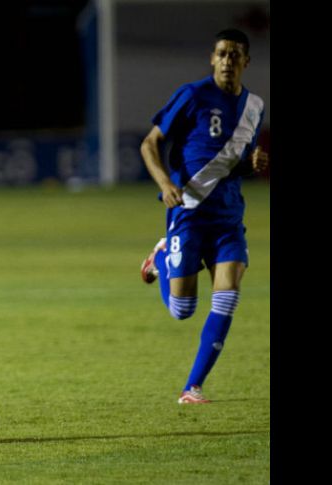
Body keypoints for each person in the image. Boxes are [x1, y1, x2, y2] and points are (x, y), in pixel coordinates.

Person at [139, 29, 269, 404]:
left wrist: (253, 164)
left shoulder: (254, 107)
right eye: (221, 54)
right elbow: (150, 142)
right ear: (212, 59)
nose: (227, 61)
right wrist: (165, 183)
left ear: (246, 62)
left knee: (227, 298)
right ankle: (161, 257)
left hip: (228, 217)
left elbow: (234, 164)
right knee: (182, 310)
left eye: (235, 55)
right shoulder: (193, 95)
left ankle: (192, 388)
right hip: (189, 213)